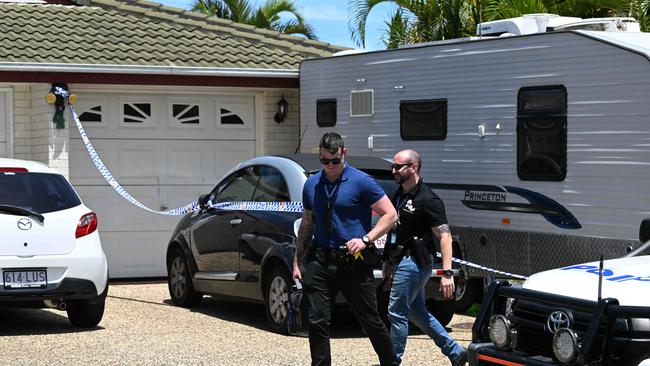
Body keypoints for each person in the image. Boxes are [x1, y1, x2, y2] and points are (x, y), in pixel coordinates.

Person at [292, 132, 399, 366]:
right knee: (318, 320)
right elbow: (307, 223)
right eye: (324, 161)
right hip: (321, 261)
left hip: (353, 262)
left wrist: (366, 239)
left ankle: (390, 362)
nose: (330, 166)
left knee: (370, 320)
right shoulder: (312, 185)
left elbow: (390, 214)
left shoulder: (361, 181)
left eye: (335, 161)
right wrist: (297, 261)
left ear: (344, 154)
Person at [383, 149, 467, 366]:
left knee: (396, 312)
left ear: (414, 167)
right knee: (417, 313)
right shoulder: (398, 195)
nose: (394, 170)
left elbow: (445, 237)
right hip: (400, 260)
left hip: (415, 262)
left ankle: (392, 361)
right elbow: (394, 230)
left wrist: (447, 273)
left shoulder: (428, 199)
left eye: (398, 167)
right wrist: (386, 260)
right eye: (393, 166)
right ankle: (456, 352)